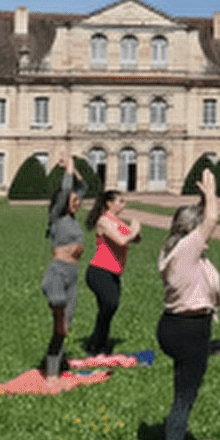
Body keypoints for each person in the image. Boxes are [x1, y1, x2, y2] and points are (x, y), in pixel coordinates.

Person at [156, 169, 220, 440]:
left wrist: (201, 199)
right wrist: (211, 195)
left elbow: (200, 221)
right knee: (186, 393)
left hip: (177, 324)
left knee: (183, 389)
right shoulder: (185, 252)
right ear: (192, 232)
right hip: (188, 329)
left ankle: (174, 437)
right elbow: (210, 221)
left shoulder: (176, 250)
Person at [40, 158, 89, 380]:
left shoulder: (72, 217)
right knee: (58, 305)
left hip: (72, 275)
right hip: (57, 272)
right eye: (73, 199)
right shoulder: (57, 217)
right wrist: (67, 168)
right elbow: (66, 189)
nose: (77, 201)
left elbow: (84, 187)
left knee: (62, 331)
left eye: (77, 200)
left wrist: (76, 171)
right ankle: (55, 300)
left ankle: (52, 374)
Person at [82, 189, 143, 355]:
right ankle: (96, 345)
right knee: (110, 304)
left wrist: (135, 233)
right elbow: (122, 240)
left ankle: (99, 345)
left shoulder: (118, 221)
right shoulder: (104, 221)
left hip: (114, 273)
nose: (124, 204)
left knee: (109, 309)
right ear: (109, 203)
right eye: (120, 201)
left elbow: (134, 238)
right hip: (99, 271)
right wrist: (134, 229)